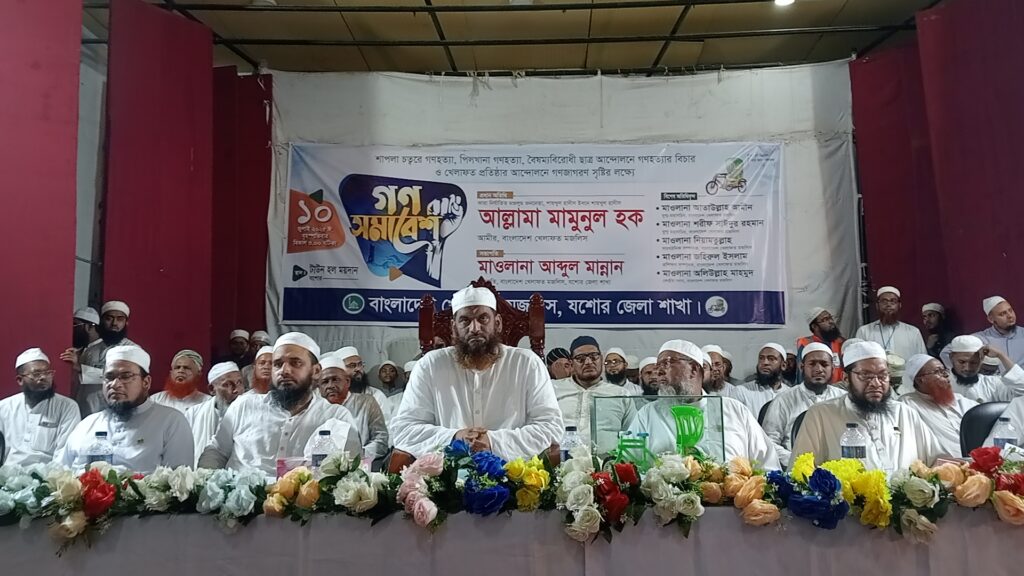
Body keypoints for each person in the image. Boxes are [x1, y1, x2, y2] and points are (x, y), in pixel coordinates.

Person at [390, 286, 563, 461]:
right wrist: (455, 438)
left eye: (483, 318)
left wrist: (493, 441)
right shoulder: (430, 365)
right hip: (447, 472)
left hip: (516, 472)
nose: (475, 328)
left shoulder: (527, 363)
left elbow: (551, 428)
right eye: (465, 320)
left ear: (497, 323)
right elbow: (404, 430)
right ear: (454, 327)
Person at [198, 333, 362, 476]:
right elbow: (217, 452)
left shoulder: (336, 417)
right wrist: (207, 485)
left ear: (316, 371)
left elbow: (352, 471)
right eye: (277, 364)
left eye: (295, 363)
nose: (284, 370)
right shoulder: (244, 405)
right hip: (239, 499)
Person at [792, 341, 942, 472]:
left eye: (883, 376)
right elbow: (800, 474)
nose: (876, 383)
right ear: (846, 378)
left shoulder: (904, 413)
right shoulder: (820, 415)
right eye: (865, 376)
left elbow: (937, 461)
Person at [627, 340, 779, 468]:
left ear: (693, 369)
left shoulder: (733, 410)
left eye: (667, 363)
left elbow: (767, 464)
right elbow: (629, 464)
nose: (658, 371)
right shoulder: (647, 414)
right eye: (658, 365)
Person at [57, 345, 194, 472]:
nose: (115, 384)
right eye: (109, 377)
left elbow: (178, 482)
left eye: (126, 376)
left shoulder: (171, 421)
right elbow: (60, 473)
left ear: (146, 382)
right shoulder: (87, 425)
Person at [761, 343, 845, 467]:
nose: (819, 369)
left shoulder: (844, 399)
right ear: (802, 367)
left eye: (824, 364)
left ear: (832, 368)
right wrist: (798, 462)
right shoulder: (783, 400)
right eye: (812, 364)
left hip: (839, 469)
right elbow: (769, 442)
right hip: (795, 469)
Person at [552, 336, 638, 455]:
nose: (588, 362)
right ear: (571, 364)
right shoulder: (553, 389)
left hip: (607, 463)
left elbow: (632, 435)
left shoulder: (620, 394)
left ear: (601, 359)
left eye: (594, 356)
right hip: (559, 462)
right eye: (580, 359)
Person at [0, 348, 80, 465]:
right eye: (36, 374)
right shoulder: (4, 408)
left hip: (48, 474)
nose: (43, 377)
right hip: (7, 473)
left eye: (48, 373)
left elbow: (64, 454)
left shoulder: (67, 407)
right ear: (20, 380)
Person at [61, 300, 136, 417]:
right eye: (109, 319)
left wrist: (80, 369)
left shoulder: (131, 349)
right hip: (85, 409)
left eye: (120, 319)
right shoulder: (91, 349)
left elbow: (120, 377)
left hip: (113, 410)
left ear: (126, 323)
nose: (114, 323)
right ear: (102, 321)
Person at [899, 354, 977, 458]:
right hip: (947, 464)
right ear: (920, 380)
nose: (945, 375)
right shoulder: (908, 404)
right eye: (937, 372)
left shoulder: (961, 400)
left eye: (944, 370)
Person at [318, 354, 389, 464]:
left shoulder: (367, 402)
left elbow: (381, 439)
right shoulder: (316, 409)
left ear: (347, 382)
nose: (330, 385)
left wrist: (356, 456)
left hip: (360, 466)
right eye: (325, 382)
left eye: (335, 380)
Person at [184, 362, 245, 465]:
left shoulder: (251, 411)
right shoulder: (193, 414)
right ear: (212, 389)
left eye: (239, 382)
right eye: (227, 385)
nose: (236, 390)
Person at [943, 296, 1024, 370]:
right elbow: (946, 352)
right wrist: (966, 371)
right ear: (991, 319)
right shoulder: (981, 338)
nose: (1010, 316)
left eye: (1010, 310)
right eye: (1002, 314)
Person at [854, 286, 927, 360]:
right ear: (877, 306)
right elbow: (858, 360)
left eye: (893, 301)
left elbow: (923, 361)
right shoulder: (864, 331)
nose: (888, 304)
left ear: (899, 305)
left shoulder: (913, 332)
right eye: (884, 301)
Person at [943, 335, 1024, 402]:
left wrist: (1001, 355)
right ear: (951, 357)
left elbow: (1022, 391)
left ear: (981, 360)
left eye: (973, 363)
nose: (967, 368)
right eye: (962, 362)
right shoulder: (940, 384)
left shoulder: (992, 384)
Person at [736, 343, 788, 417]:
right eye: (761, 358)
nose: (764, 362)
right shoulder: (741, 392)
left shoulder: (790, 394)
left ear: (783, 365)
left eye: (771, 359)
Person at [795, 307, 845, 384]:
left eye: (831, 318)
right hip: (816, 388)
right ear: (814, 326)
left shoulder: (841, 342)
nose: (831, 321)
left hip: (840, 388)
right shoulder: (806, 343)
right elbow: (801, 373)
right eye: (825, 319)